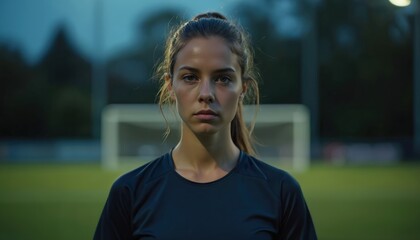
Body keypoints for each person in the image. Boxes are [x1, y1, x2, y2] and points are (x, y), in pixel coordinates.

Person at [94, 12, 317, 240]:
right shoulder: (130, 193)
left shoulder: (280, 192)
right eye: (190, 77)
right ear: (170, 86)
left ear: (243, 88)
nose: (206, 94)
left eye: (223, 79)